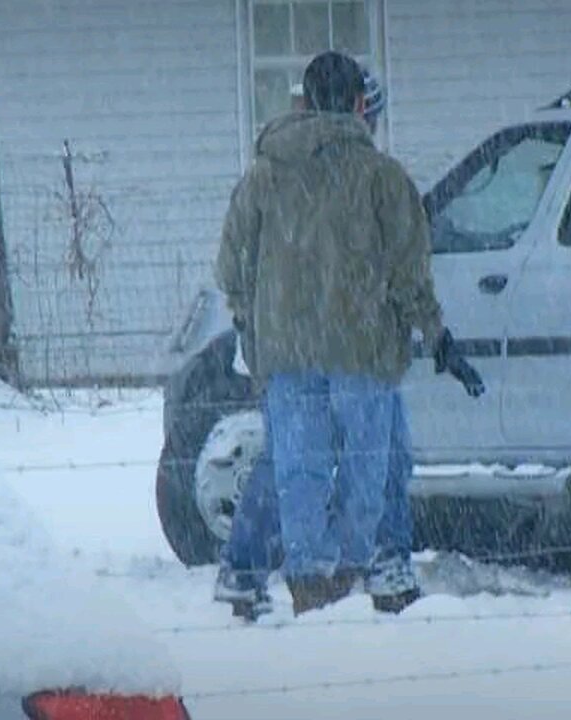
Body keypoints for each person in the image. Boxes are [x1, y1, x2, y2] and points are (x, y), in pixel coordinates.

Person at [215, 51, 483, 617]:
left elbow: (231, 263)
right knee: (372, 466)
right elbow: (410, 271)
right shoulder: (382, 177)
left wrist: (249, 319)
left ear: (305, 102)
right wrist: (436, 336)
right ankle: (358, 574)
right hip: (362, 347)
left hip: (287, 351)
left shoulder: (264, 174)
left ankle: (309, 584)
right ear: (361, 105)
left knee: (298, 471)